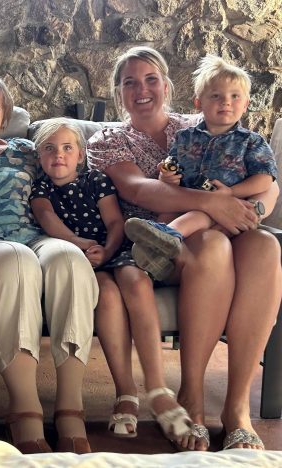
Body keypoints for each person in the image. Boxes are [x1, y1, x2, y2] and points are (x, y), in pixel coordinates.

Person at [87, 46, 281, 451]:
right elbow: (141, 189)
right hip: (153, 245)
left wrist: (252, 210)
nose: (142, 89)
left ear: (168, 86)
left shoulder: (205, 120)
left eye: (151, 79)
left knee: (264, 247)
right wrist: (213, 203)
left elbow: (269, 182)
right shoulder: (108, 138)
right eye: (129, 82)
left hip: (228, 230)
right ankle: (191, 397)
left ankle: (237, 409)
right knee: (209, 245)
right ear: (119, 92)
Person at [0, 75, 97, 454]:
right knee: (17, 262)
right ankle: (25, 407)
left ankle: (70, 406)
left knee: (69, 258)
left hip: (36, 236)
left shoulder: (25, 150)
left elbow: (65, 173)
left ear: (5, 118)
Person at [29, 118, 192, 441]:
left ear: (80, 155)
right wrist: (82, 246)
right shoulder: (41, 186)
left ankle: (158, 387)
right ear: (40, 157)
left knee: (135, 281)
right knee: (106, 295)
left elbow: (115, 221)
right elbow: (48, 220)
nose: (58, 155)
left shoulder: (97, 180)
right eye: (49, 149)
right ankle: (126, 392)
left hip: (115, 247)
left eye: (67, 148)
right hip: (80, 256)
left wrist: (107, 249)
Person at [123, 54, 277, 280]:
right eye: (216, 96)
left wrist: (231, 194)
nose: (226, 102)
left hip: (228, 206)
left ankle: (169, 236)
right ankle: (158, 257)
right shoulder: (185, 136)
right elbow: (172, 166)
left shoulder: (251, 141)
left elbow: (265, 179)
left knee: (198, 215)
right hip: (188, 202)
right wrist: (167, 177)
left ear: (246, 105)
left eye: (235, 97)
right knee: (167, 213)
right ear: (198, 103)